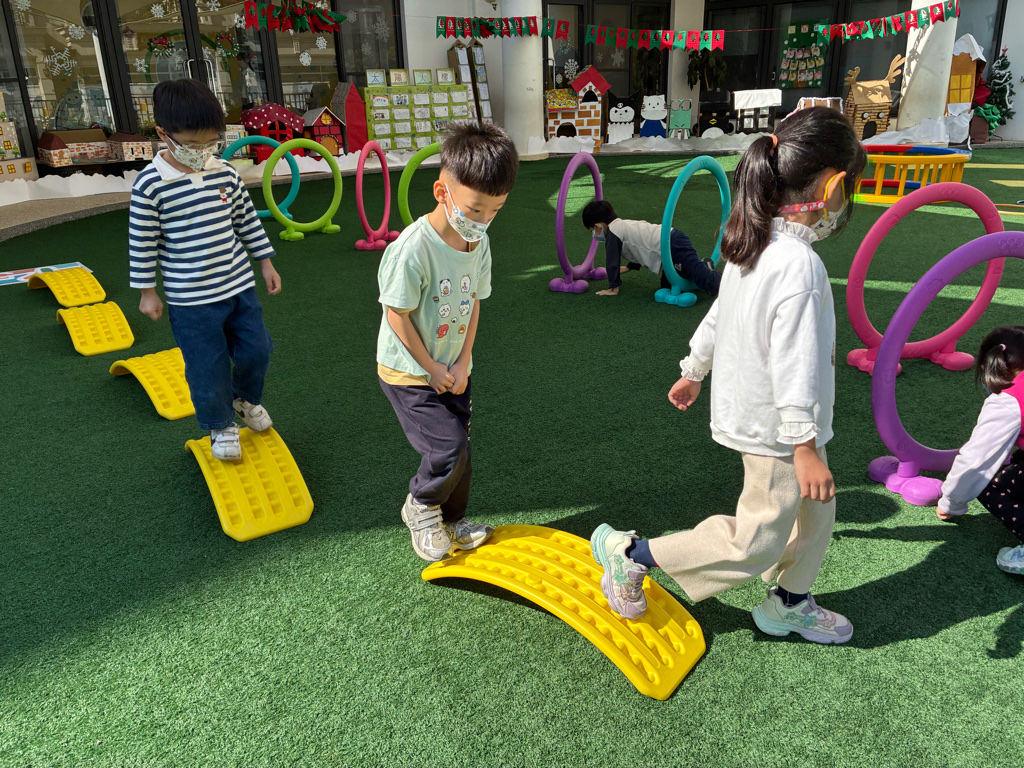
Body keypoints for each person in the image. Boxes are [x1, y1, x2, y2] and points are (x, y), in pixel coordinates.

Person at [589, 107, 866, 644]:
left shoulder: (755, 245)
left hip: (778, 424)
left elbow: (720, 316)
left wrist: (694, 368)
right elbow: (796, 361)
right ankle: (632, 554)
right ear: (832, 187)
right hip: (779, 433)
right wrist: (803, 445)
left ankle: (790, 598)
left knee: (817, 512)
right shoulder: (798, 264)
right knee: (755, 540)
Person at [377, 123, 519, 562]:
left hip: (454, 368)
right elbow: (396, 315)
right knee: (447, 447)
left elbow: (473, 302)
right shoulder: (412, 249)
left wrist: (462, 362)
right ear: (442, 192)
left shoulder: (479, 243)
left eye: (495, 210)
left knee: (462, 449)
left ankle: (452, 520)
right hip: (408, 372)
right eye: (475, 209)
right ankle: (421, 505)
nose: (483, 220)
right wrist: (432, 369)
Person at [129, 79, 280, 461]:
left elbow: (246, 220)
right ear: (163, 134)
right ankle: (220, 425)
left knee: (258, 350)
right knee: (206, 367)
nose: (201, 152)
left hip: (238, 287)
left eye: (210, 143)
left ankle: (245, 400)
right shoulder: (150, 185)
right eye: (192, 144)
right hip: (192, 301)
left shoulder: (225, 172)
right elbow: (142, 241)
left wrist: (265, 262)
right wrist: (147, 291)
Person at [937, 326, 1024, 575]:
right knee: (1012, 469)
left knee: (987, 483)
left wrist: (949, 502)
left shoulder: (1009, 401)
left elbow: (975, 462)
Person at [581, 200, 720, 297]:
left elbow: (612, 260)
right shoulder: (621, 225)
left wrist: (613, 287)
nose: (594, 235)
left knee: (698, 272)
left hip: (672, 243)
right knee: (666, 285)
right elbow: (637, 246)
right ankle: (704, 265)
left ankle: (723, 284)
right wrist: (629, 267)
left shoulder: (613, 232)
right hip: (670, 242)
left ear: (599, 226)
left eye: (592, 230)